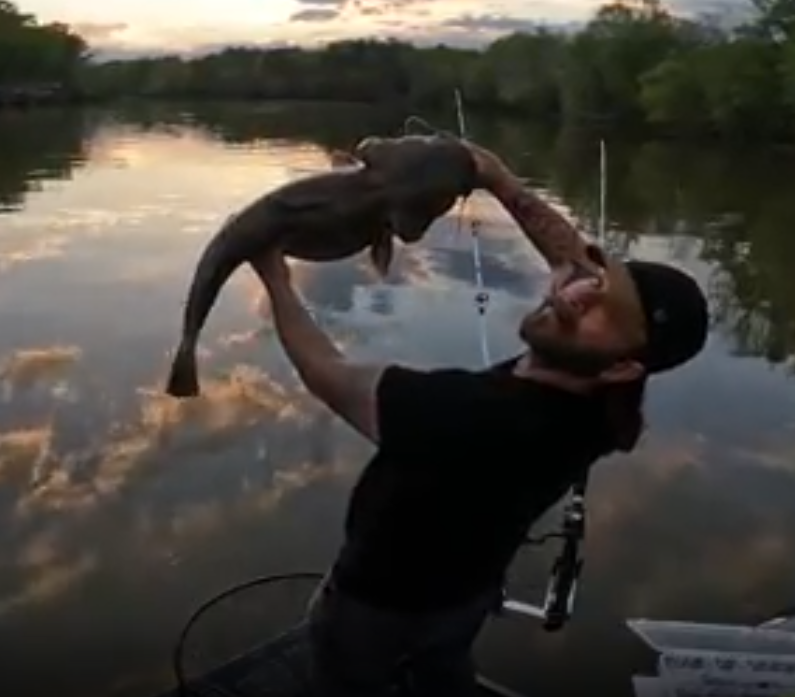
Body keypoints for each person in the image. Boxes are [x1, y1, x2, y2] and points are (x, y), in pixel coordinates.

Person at [249, 139, 710, 697]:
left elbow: (328, 374)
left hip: (376, 604)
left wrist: (273, 275)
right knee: (443, 670)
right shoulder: (603, 408)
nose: (572, 292)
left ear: (623, 367)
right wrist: (498, 179)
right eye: (595, 278)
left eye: (599, 306)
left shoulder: (470, 417)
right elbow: (572, 258)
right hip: (468, 593)